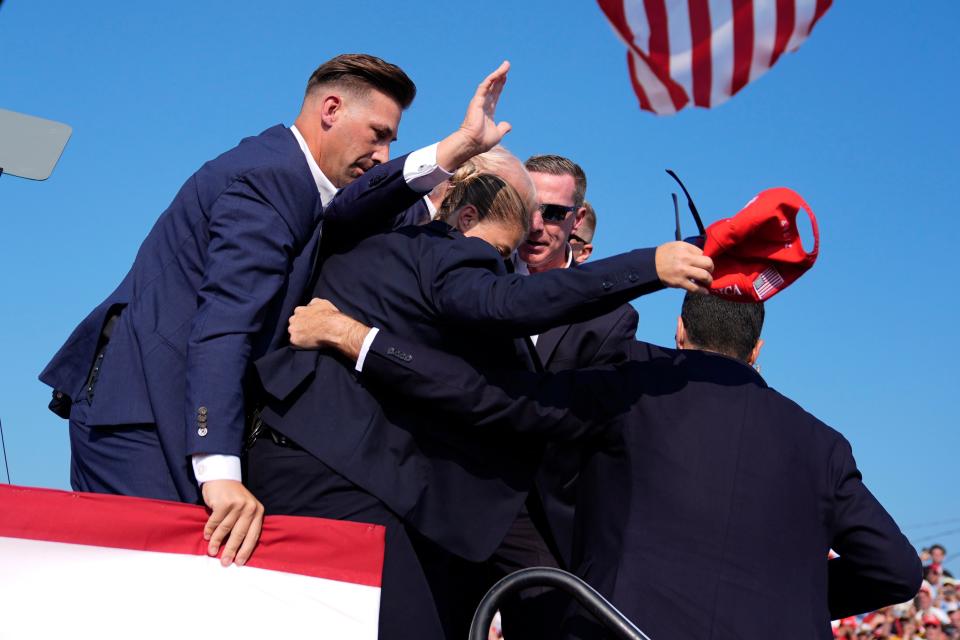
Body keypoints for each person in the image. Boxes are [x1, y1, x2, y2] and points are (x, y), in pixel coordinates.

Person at [39, 54, 513, 567]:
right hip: (139, 419)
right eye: (378, 134)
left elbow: (358, 207)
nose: (383, 154)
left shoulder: (297, 176)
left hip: (169, 412)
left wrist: (453, 154)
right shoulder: (268, 181)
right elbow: (226, 323)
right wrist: (219, 470)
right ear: (331, 109)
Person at [250, 172, 712, 638]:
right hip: (379, 488)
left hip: (408, 490)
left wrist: (349, 335)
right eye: (502, 251)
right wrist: (652, 265)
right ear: (468, 215)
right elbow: (493, 331)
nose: (504, 261)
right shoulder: (455, 256)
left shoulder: (374, 243)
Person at [304, 293, 922, 639]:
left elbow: (493, 399)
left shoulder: (634, 391)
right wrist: (805, 599)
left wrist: (363, 340)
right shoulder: (823, 443)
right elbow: (896, 569)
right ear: (758, 349)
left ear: (678, 330)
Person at [516, 155, 639, 569]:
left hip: (543, 530)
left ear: (577, 218)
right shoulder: (473, 275)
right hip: (452, 510)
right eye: (527, 206)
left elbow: (590, 430)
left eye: (552, 213)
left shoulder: (609, 319)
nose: (536, 225)